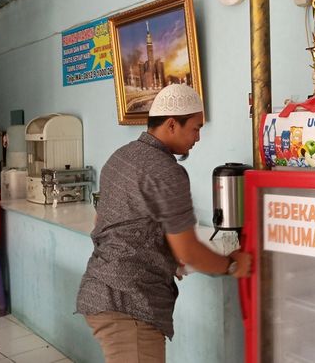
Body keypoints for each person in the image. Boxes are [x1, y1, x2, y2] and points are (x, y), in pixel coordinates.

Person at [76, 84, 252, 363]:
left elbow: (106, 221)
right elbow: (188, 251)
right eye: (195, 128)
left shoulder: (120, 156)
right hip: (130, 303)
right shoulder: (166, 170)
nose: (198, 137)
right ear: (172, 124)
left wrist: (164, 256)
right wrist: (232, 265)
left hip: (100, 290)